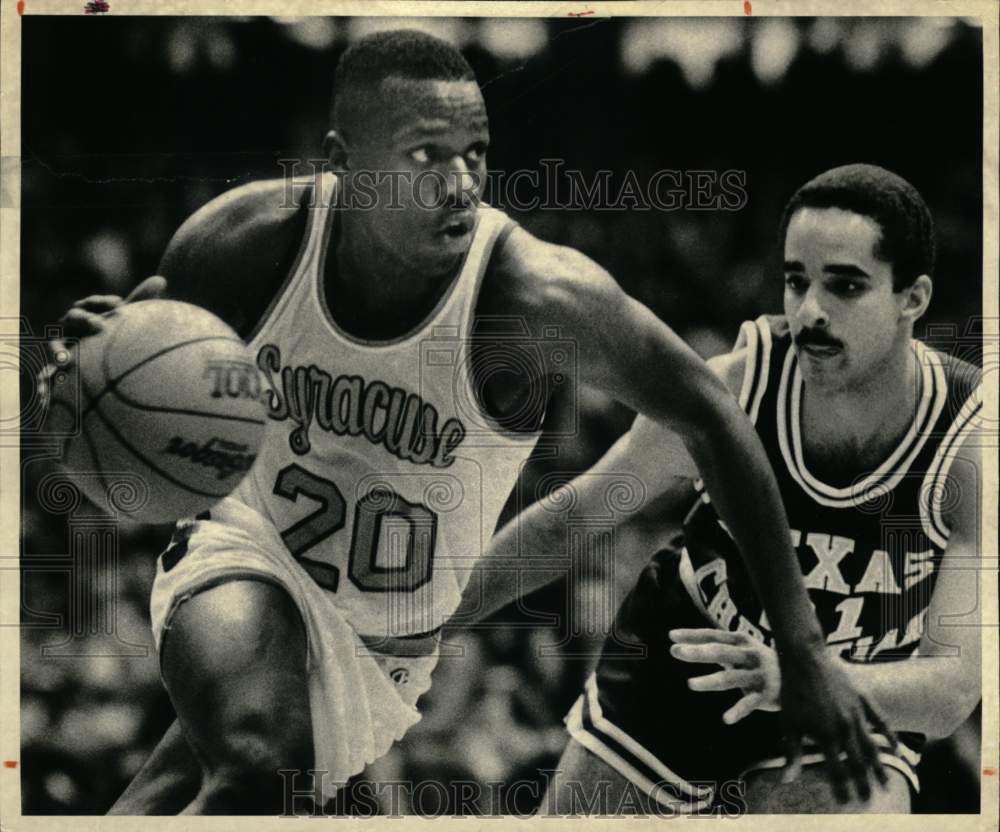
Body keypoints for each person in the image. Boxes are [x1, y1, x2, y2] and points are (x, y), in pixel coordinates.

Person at [48, 32, 881, 815]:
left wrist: (804, 647)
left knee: (186, 792)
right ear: (345, 164)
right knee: (261, 766)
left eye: (474, 153)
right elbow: (139, 363)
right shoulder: (246, 242)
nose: (461, 182)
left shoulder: (535, 297)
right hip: (248, 551)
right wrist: (85, 359)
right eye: (425, 155)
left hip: (387, 652)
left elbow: (713, 415)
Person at [498, 164, 983, 814]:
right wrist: (426, 621)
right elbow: (579, 514)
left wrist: (805, 678)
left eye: (844, 285)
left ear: (913, 298)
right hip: (687, 658)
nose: (810, 310)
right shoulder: (740, 385)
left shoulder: (970, 443)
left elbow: (951, 692)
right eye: (796, 281)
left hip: (853, 689)